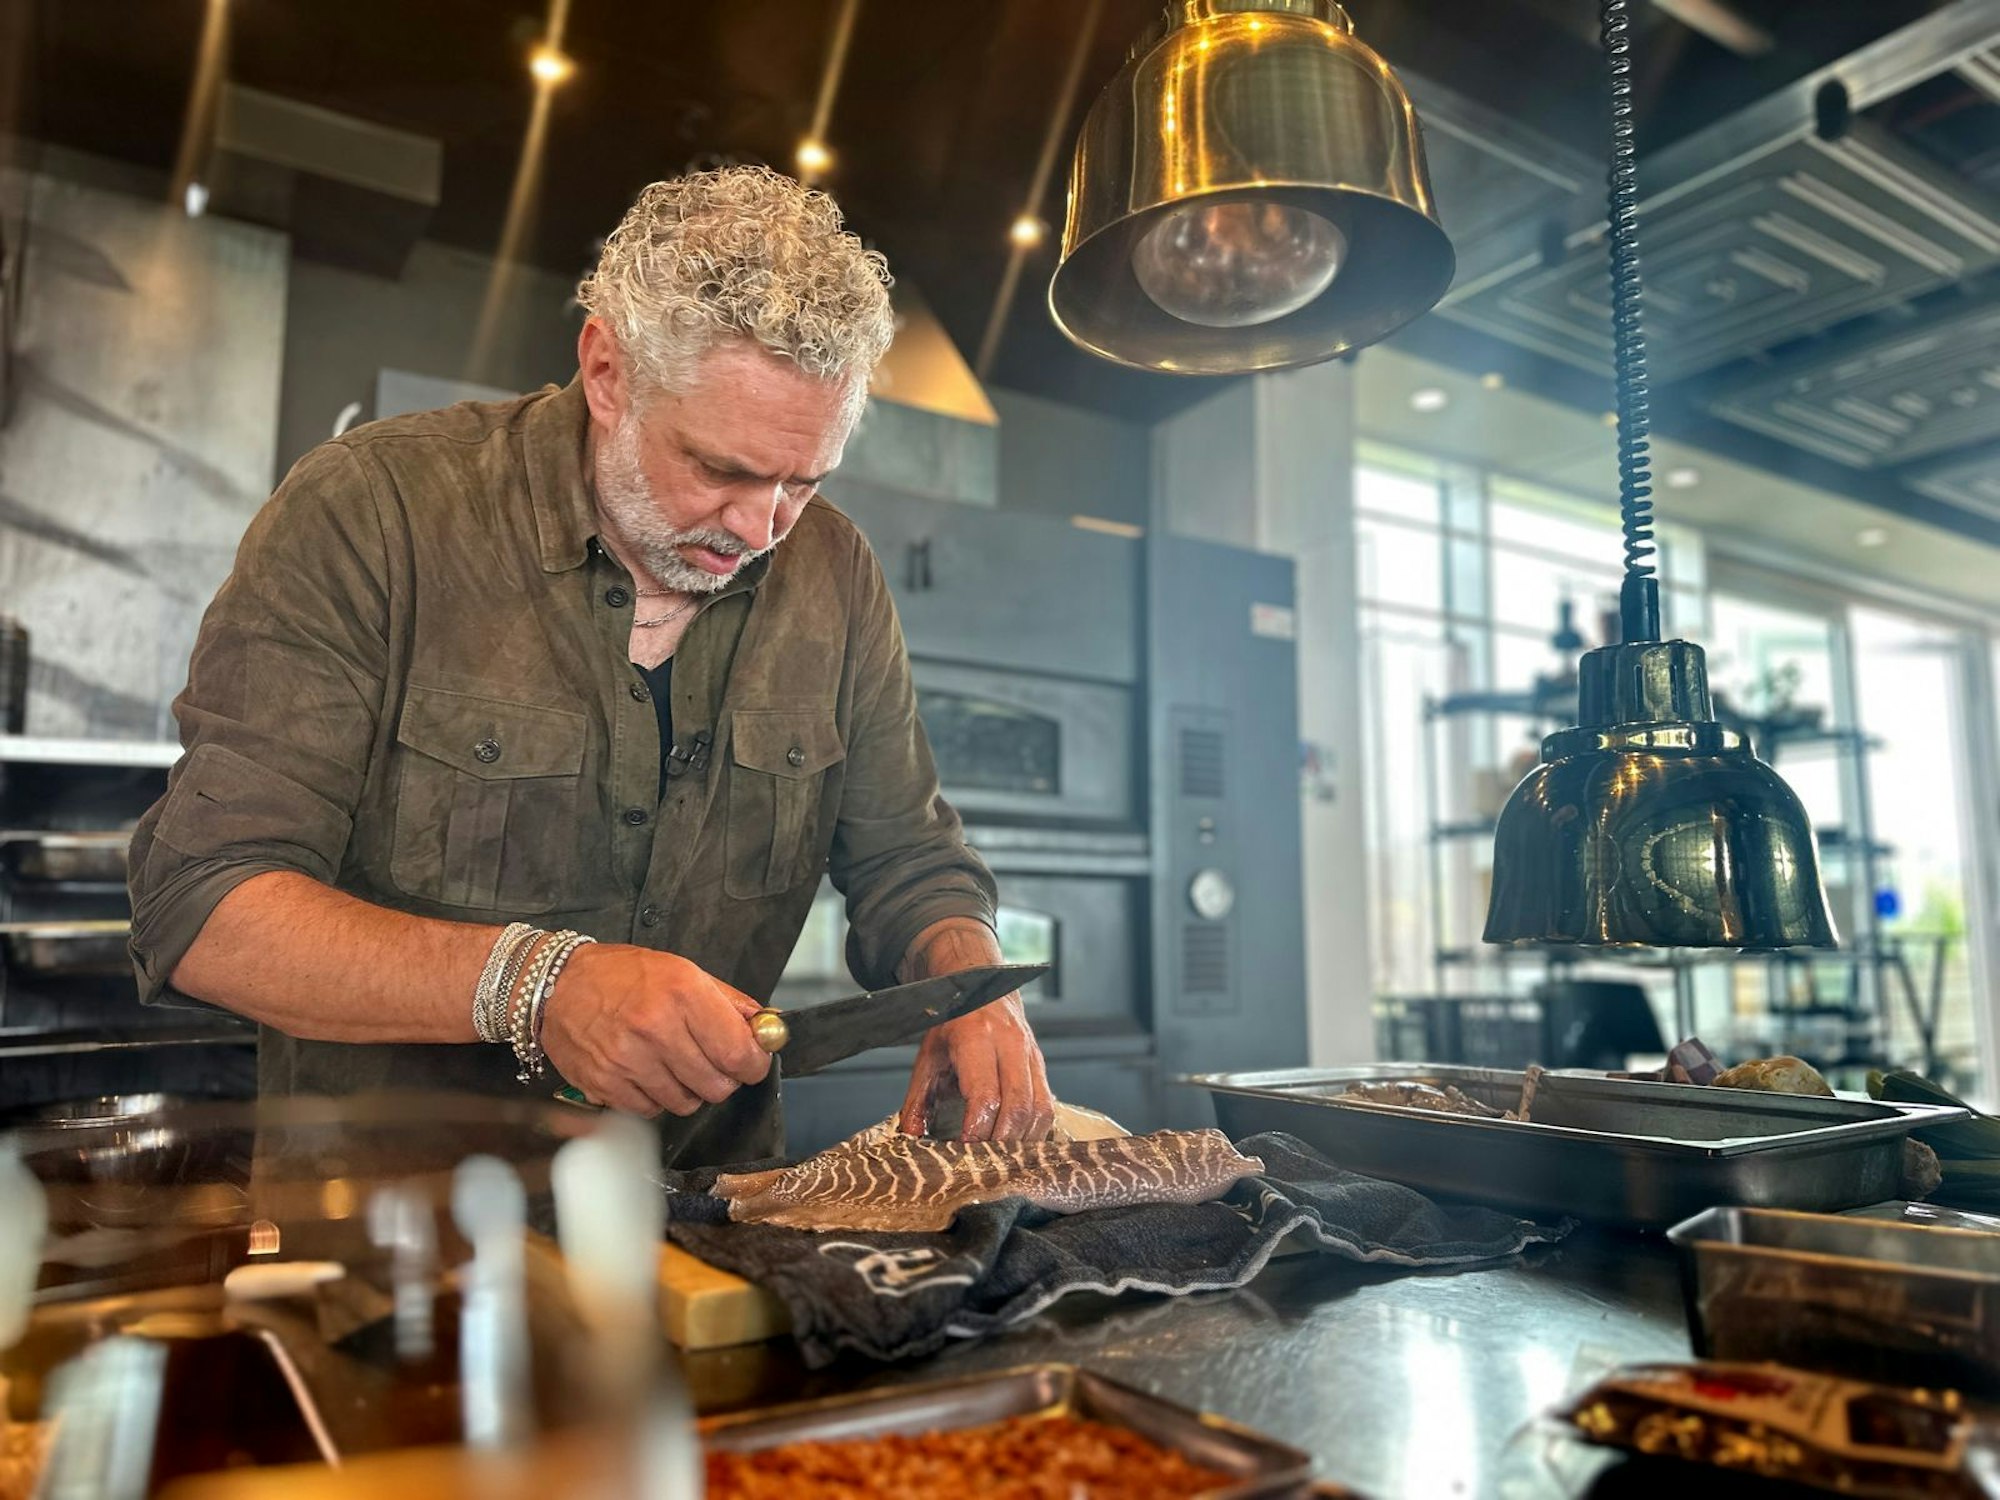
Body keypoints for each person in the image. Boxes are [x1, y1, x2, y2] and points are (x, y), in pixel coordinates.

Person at [125, 166, 1054, 1165]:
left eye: (802, 479)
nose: (760, 526)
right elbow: (205, 904)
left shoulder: (832, 570)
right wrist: (537, 983)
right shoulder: (374, 513)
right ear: (606, 372)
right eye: (719, 468)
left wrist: (970, 980)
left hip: (710, 1216)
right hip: (401, 1234)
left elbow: (906, 862)